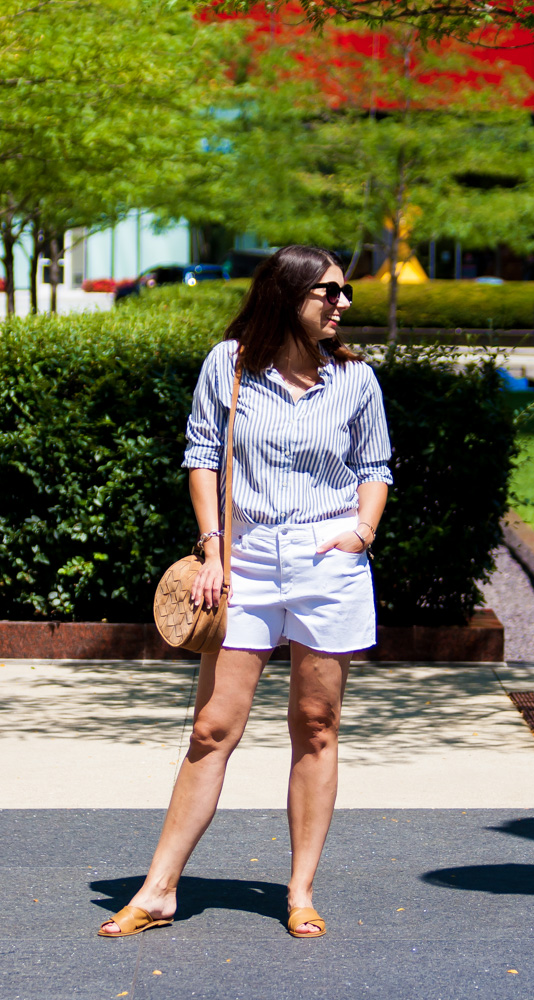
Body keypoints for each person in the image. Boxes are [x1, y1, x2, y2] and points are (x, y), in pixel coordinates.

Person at [98, 245, 392, 940]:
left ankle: (299, 892)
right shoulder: (227, 366)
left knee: (315, 728)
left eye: (343, 291)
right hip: (245, 564)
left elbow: (374, 465)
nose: (342, 303)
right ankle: (159, 889)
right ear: (286, 295)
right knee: (211, 728)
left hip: (327, 564)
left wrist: (361, 534)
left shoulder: (354, 379)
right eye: (329, 291)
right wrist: (212, 548)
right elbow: (202, 454)